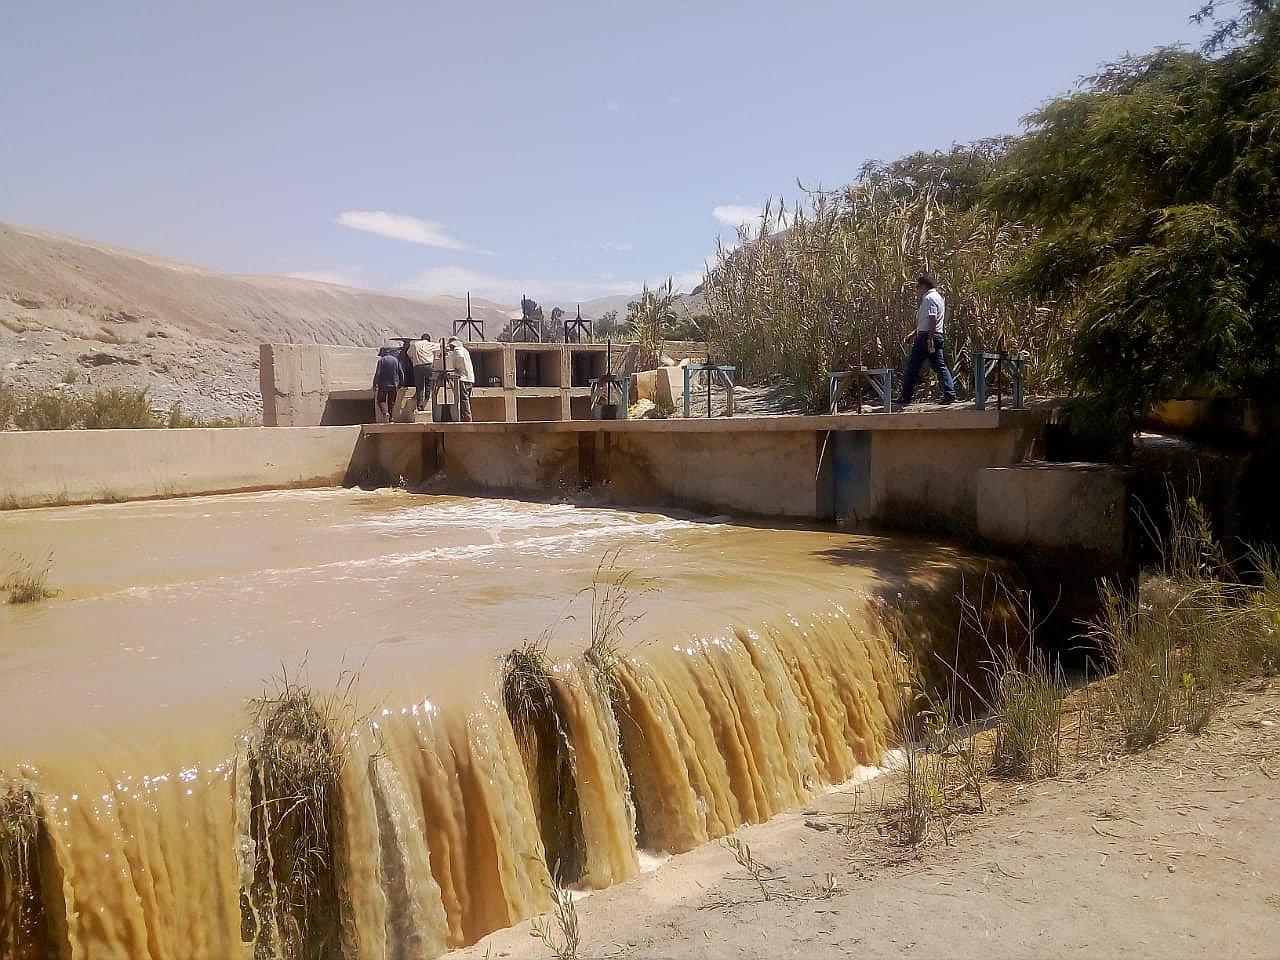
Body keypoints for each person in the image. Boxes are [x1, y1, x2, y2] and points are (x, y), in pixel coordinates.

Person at [896, 275, 957, 407]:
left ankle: (905, 397)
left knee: (913, 367)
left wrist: (929, 338)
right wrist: (913, 333)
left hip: (927, 337)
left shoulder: (929, 298)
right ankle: (950, 393)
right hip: (933, 335)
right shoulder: (938, 297)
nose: (916, 290)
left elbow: (933, 319)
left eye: (917, 287)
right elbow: (926, 322)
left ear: (924, 286)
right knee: (939, 366)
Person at [445, 336, 475, 422]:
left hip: (463, 378)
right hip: (469, 378)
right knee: (466, 399)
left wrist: (456, 370)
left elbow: (459, 358)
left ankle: (467, 420)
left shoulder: (457, 350)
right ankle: (465, 418)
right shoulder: (464, 350)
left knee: (463, 400)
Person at [372, 346, 403, 423]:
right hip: (394, 384)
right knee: (391, 402)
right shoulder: (396, 360)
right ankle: (391, 418)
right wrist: (401, 384)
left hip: (383, 385)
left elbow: (378, 373)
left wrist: (375, 384)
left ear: (383, 353)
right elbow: (401, 373)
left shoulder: (381, 361)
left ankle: (385, 413)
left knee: (380, 400)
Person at [408, 334, 438, 412]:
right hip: (428, 365)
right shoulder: (430, 344)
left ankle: (419, 405)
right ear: (428, 339)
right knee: (429, 383)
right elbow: (440, 346)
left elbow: (409, 354)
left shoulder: (414, 344)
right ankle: (427, 397)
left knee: (419, 386)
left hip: (417, 367)